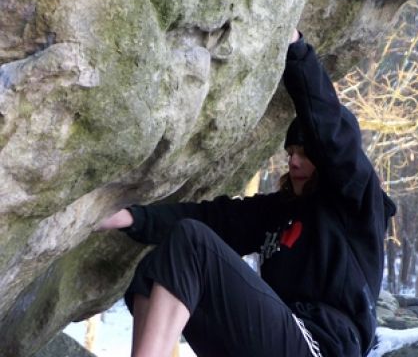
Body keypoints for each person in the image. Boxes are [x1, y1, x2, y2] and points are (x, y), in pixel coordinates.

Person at [100, 29, 396, 357]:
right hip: (279, 337)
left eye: (306, 153)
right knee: (156, 267)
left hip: (322, 346)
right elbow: (216, 219)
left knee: (191, 244)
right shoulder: (279, 212)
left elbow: (329, 132)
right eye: (291, 152)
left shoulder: (355, 200)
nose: (294, 161)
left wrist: (296, 51)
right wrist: (132, 218)